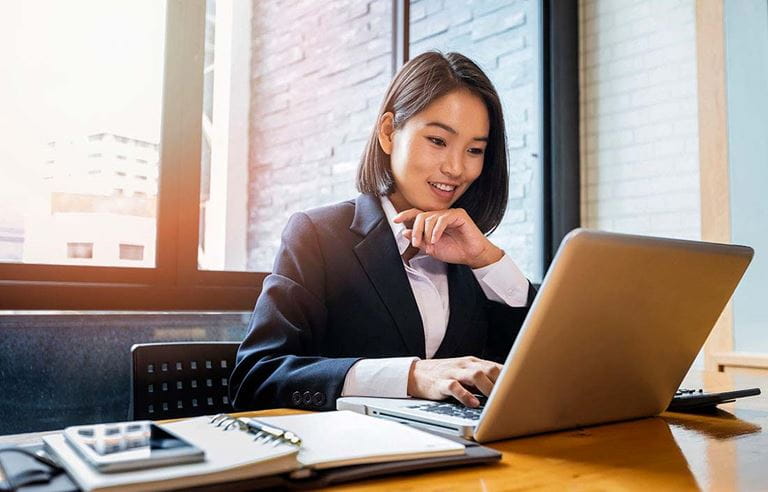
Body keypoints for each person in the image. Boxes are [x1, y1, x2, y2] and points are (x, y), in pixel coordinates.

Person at [229, 51, 536, 412]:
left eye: (474, 150)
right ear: (389, 133)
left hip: (460, 457)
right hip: (351, 457)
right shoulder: (318, 235)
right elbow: (255, 377)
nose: (456, 168)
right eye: (438, 141)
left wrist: (487, 260)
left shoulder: (473, 260)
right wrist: (411, 376)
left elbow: (531, 370)